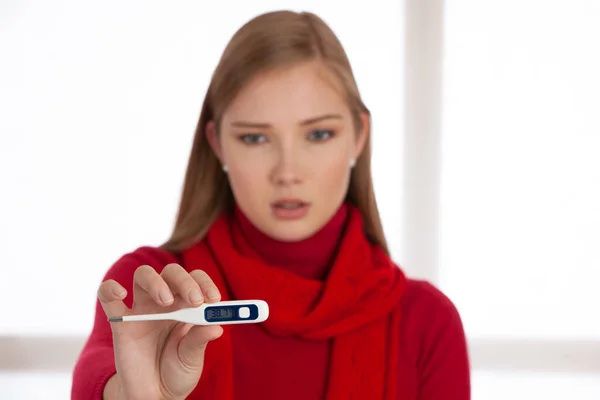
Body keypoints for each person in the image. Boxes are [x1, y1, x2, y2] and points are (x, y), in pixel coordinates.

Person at [71, 10, 470, 400]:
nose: (288, 172)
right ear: (217, 143)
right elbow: (102, 375)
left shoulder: (427, 324)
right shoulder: (151, 292)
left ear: (359, 136)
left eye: (318, 134)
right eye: (255, 139)